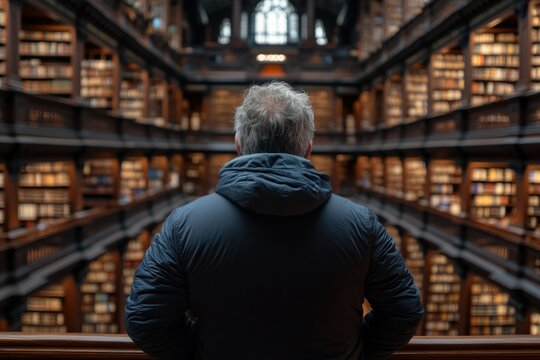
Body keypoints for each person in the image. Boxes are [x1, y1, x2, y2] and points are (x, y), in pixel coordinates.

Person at [125, 81, 424, 360]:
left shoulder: (184, 224)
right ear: (308, 147)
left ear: (238, 145)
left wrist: (205, 351)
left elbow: (145, 321)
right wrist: (353, 352)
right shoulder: (361, 224)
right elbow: (404, 312)